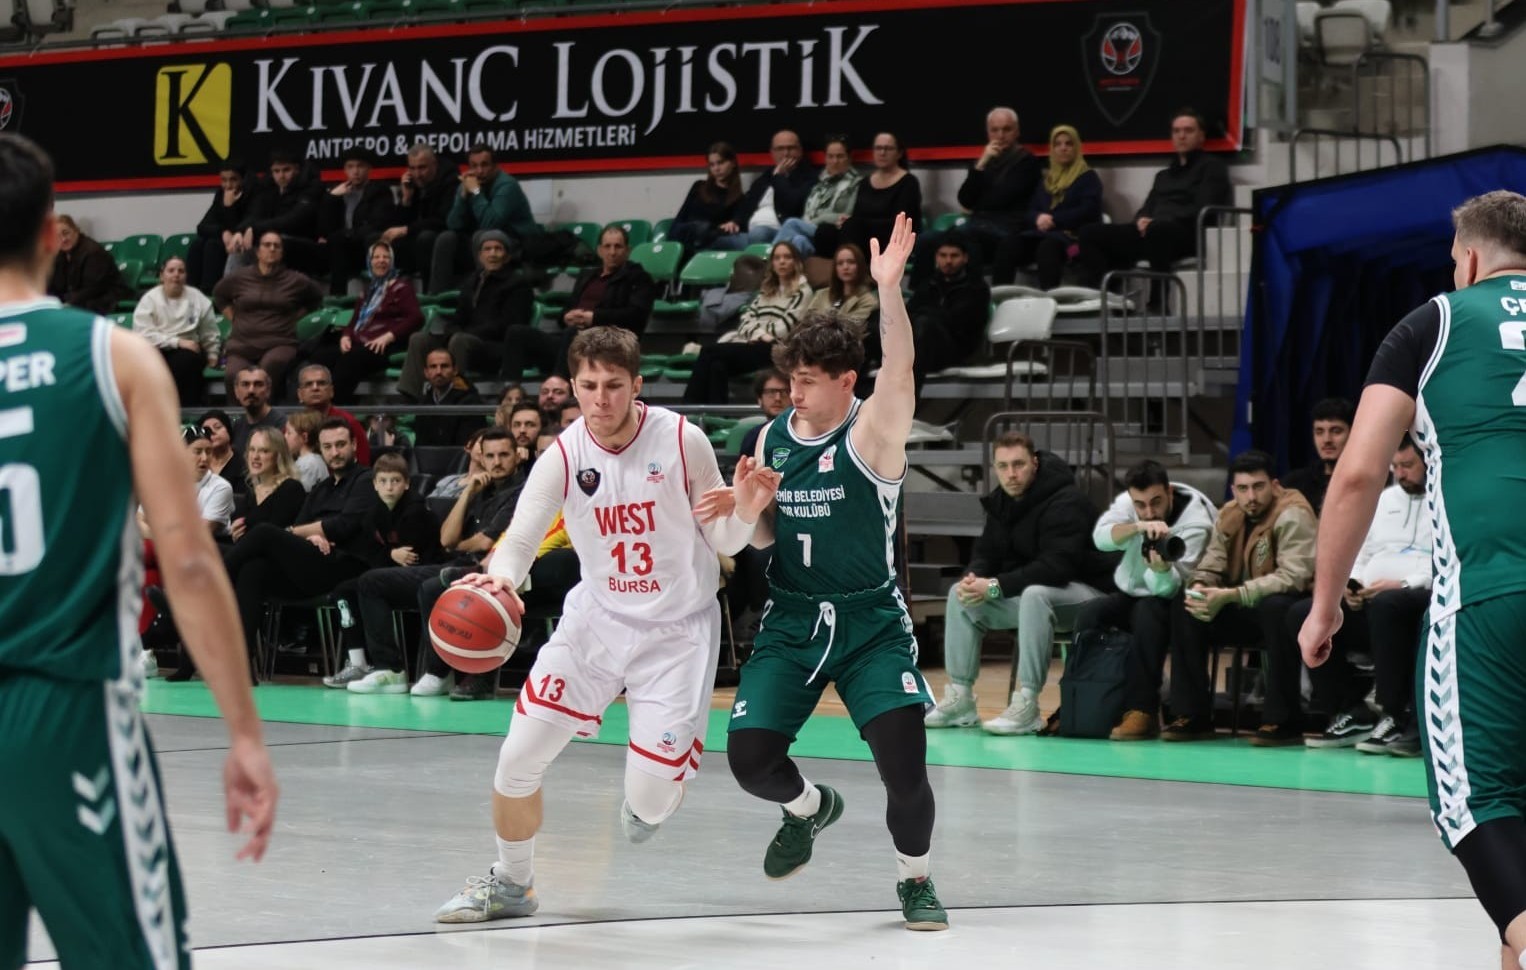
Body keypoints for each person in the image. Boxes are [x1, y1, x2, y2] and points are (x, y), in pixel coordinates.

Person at [0, 131, 276, 969]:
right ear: (53, 232)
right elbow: (187, 559)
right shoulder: (112, 356)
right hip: (64, 705)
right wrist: (244, 734)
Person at [429, 326, 778, 923]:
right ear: (573, 387)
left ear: (637, 385)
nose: (600, 398)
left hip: (676, 633)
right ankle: (512, 883)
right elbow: (522, 536)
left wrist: (745, 509)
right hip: (596, 622)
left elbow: (722, 538)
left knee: (651, 803)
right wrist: (503, 579)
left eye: (614, 385)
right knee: (517, 758)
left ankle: (650, 794)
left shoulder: (682, 440)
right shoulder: (564, 454)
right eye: (588, 386)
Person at [1299, 191, 1526, 968]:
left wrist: (1324, 606)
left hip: (1488, 596)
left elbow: (1360, 473)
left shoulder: (1433, 323)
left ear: (1470, 258)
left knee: (1477, 805)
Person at [720, 214, 948, 931]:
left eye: (808, 382)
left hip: (869, 624)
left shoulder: (874, 431)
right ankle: (808, 808)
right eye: (789, 379)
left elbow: (900, 371)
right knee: (749, 760)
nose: (793, 392)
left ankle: (915, 878)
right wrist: (751, 508)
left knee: (904, 773)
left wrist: (889, 289)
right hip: (791, 618)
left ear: (847, 381)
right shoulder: (771, 438)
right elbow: (761, 539)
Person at [923, 432, 1116, 736]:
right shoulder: (1002, 502)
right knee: (959, 596)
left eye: (1018, 465)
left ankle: (1027, 704)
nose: (1011, 474)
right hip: (1037, 599)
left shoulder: (1067, 501)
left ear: (1034, 463)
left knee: (1035, 595)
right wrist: (974, 579)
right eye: (1003, 466)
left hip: (1092, 596)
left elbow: (1057, 567)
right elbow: (986, 554)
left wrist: (996, 586)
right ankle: (961, 698)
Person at [1285, 434, 1429, 752]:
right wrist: (1353, 584)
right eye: (1395, 467)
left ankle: (1394, 713)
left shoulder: (1443, 501)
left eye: (1408, 465)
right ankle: (1351, 710)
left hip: (1418, 599)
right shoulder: (1384, 499)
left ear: (1426, 461)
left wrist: (1406, 583)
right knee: (1303, 613)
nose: (1401, 473)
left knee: (1389, 604)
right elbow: (1361, 551)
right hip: (1373, 602)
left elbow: (1448, 559)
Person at [1165, 450, 1315, 745]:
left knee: (1277, 608)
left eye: (1258, 487)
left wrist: (1231, 595)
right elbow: (1212, 563)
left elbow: (1292, 577)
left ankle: (1283, 721)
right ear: (1234, 490)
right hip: (1241, 603)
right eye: (1243, 489)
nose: (1251, 497)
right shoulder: (1230, 513)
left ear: (1274, 485)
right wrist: (1201, 587)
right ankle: (1192, 715)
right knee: (1186, 605)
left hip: (1288, 605)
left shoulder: (1293, 513)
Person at [1072, 460, 1218, 740]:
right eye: (1140, 504)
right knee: (1091, 614)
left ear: (1169, 492)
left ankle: (1141, 710)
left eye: (1156, 502)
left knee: (1147, 613)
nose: (1149, 511)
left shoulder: (1197, 523)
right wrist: (1137, 527)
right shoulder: (1132, 504)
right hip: (1132, 591)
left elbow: (1171, 589)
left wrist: (1160, 569)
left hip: (1176, 597)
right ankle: (1082, 701)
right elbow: (1101, 538)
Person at [1077, 108, 1232, 286]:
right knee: (1089, 233)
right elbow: (1148, 206)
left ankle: (1158, 298)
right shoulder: (1163, 175)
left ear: (1201, 136)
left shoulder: (1212, 167)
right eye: (1176, 131)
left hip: (1186, 235)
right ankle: (1107, 294)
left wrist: (1157, 222)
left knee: (1158, 230)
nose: (1182, 136)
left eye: (1188, 130)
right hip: (1152, 232)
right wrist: (1141, 220)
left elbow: (1204, 208)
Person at [913, 107, 1042, 284]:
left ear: (1017, 131)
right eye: (995, 130)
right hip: (977, 224)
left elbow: (1001, 199)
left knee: (967, 235)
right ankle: (920, 294)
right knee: (926, 240)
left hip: (1007, 229)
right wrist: (980, 165)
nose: (1000, 135)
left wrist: (978, 200)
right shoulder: (983, 162)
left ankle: (973, 293)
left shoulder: (1027, 162)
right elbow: (965, 199)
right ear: (988, 132)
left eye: (1006, 129)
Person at [399, 231, 537, 395]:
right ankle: (409, 396)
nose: (492, 254)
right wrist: (452, 330)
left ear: (507, 256)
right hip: (464, 340)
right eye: (487, 249)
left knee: (460, 340)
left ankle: (453, 396)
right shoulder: (471, 282)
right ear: (480, 256)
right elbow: (459, 317)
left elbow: (508, 326)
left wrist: (465, 333)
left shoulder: (518, 284)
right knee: (419, 339)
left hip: (494, 348)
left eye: (498, 249)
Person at [682, 241, 812, 405]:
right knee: (717, 365)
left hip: (777, 350)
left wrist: (759, 333)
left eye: (787, 257)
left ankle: (687, 408)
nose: (782, 262)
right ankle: (717, 414)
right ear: (772, 263)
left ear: (796, 262)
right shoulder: (766, 290)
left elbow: (785, 328)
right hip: (754, 343)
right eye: (777, 258)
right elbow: (745, 320)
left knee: (709, 352)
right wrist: (760, 334)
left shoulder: (802, 291)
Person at [212, 230, 325, 401]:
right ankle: (237, 416)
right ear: (257, 252)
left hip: (279, 342)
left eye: (276, 246)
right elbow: (219, 295)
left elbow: (315, 298)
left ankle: (266, 414)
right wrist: (233, 316)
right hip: (242, 344)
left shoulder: (295, 280)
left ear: (281, 253)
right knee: (233, 375)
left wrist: (295, 317)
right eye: (267, 245)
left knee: (266, 372)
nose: (272, 249)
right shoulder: (240, 277)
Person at [990, 125, 1104, 289]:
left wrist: (1054, 220)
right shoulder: (1047, 180)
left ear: (1077, 147)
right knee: (1009, 244)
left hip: (1073, 242)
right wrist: (1037, 218)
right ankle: (999, 297)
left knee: (1048, 247)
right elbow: (1030, 210)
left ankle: (1049, 300)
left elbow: (1089, 210)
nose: (1063, 148)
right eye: (1057, 144)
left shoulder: (1088, 178)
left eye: (1068, 143)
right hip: (1041, 235)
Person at [310, 241, 424, 403]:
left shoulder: (402, 287)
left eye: (386, 257)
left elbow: (416, 318)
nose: (381, 260)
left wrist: (388, 336)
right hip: (361, 343)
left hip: (384, 346)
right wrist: (346, 336)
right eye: (376, 257)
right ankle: (319, 402)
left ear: (392, 261)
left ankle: (333, 407)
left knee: (350, 359)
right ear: (369, 262)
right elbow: (354, 321)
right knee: (321, 356)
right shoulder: (368, 291)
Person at [429, 143, 540, 293]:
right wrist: (462, 197)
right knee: (446, 238)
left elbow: (491, 223)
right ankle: (437, 297)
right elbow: (453, 225)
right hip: (481, 243)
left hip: (516, 242)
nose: (479, 171)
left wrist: (475, 192)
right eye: (474, 166)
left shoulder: (507, 185)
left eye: (484, 165)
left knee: (483, 236)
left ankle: (483, 294)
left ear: (495, 166)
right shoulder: (469, 184)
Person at [812, 131, 921, 260]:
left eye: (888, 148)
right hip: (862, 233)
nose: (882, 153)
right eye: (878, 148)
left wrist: (859, 223)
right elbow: (857, 214)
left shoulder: (908, 182)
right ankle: (833, 270)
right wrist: (847, 220)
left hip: (892, 236)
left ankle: (854, 268)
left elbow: (902, 222)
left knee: (853, 227)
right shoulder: (865, 182)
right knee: (825, 231)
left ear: (899, 153)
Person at [905, 236, 991, 396]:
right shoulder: (928, 284)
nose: (948, 261)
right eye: (943, 255)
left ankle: (908, 400)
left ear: (965, 258)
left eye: (954, 256)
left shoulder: (977, 289)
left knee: (924, 324)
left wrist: (927, 314)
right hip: (921, 347)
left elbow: (958, 322)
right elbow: (909, 313)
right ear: (936, 257)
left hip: (956, 350)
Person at [132, 256, 221, 406]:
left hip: (190, 351)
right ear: (162, 275)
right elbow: (143, 334)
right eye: (171, 270)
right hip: (157, 348)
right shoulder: (149, 299)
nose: (176, 275)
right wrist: (178, 342)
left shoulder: (198, 298)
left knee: (187, 361)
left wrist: (213, 353)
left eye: (181, 271)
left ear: (186, 276)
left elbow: (209, 331)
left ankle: (188, 409)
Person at [712, 130, 817, 251]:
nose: (786, 153)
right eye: (780, 149)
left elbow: (793, 205)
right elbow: (748, 203)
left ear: (800, 151)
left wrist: (779, 177)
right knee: (716, 240)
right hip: (750, 234)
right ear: (772, 152)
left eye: (791, 148)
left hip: (779, 232)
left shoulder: (809, 177)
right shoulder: (766, 176)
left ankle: (765, 257)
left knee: (759, 233)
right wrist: (735, 222)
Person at [317, 147, 396, 296]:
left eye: (360, 166)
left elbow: (377, 223)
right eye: (350, 167)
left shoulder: (380, 191)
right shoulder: (338, 191)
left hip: (364, 246)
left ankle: (339, 296)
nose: (355, 171)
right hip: (339, 247)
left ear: (369, 169)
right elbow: (324, 228)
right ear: (345, 170)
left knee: (339, 240)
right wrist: (331, 198)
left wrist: (348, 234)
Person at [772, 136, 862, 260]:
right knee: (799, 240)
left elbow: (847, 216)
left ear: (849, 157)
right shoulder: (817, 182)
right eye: (830, 156)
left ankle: (768, 260)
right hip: (810, 231)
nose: (835, 161)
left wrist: (820, 219)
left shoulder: (857, 184)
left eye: (840, 156)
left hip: (830, 232)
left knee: (792, 223)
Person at [380, 143, 459, 279]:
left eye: (422, 168)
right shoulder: (413, 184)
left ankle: (429, 288)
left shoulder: (451, 181)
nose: (417, 174)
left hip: (445, 237)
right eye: (412, 168)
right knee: (389, 239)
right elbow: (398, 223)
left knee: (425, 238)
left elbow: (442, 220)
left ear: (434, 164)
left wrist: (406, 229)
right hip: (418, 234)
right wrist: (406, 199)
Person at [666, 142, 749, 254]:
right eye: (712, 165)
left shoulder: (739, 198)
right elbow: (679, 221)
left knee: (738, 239)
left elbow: (732, 228)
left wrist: (719, 228)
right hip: (688, 236)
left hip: (711, 243)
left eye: (720, 163)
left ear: (733, 163)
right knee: (699, 228)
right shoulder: (699, 186)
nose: (716, 169)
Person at [231, 426, 307, 541]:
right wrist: (235, 532)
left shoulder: (291, 488)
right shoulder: (251, 488)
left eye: (264, 451)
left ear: (278, 456)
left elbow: (274, 536)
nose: (255, 456)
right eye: (252, 449)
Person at [46, 214, 134, 314]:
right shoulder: (60, 254)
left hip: (105, 297)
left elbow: (93, 289)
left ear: (76, 230)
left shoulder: (93, 252)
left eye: (66, 233)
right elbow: (54, 286)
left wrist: (69, 303)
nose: (63, 239)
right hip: (78, 298)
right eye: (57, 236)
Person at [188, 160, 254, 292]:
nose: (228, 185)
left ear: (242, 179)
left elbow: (243, 225)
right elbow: (202, 226)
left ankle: (210, 291)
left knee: (213, 245)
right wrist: (223, 232)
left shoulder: (252, 194)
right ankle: (190, 290)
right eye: (224, 180)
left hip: (243, 243)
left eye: (233, 180)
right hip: (225, 240)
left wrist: (230, 207)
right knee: (197, 244)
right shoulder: (220, 194)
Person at [1282, 397, 1355, 516]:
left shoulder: (1371, 480)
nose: (1327, 440)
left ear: (1353, 433)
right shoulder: (1294, 484)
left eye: (1336, 431)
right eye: (1319, 432)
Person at [295, 363, 370, 466]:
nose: (315, 388)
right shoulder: (293, 427)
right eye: (308, 384)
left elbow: (363, 463)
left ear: (331, 391)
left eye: (321, 383)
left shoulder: (349, 422)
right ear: (300, 394)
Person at [413, 347, 486, 448]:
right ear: (426, 372)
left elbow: (467, 448)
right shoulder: (423, 404)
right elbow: (420, 447)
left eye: (444, 366)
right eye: (433, 367)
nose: (438, 371)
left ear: (455, 370)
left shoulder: (471, 403)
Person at [804, 243, 879, 329]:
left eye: (851, 262)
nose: (845, 267)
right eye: (840, 263)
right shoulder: (821, 294)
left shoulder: (869, 301)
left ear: (860, 266)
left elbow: (849, 330)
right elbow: (806, 323)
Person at [229, 366, 283, 458]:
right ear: (236, 391)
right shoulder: (235, 426)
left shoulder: (281, 425)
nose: (251, 390)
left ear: (268, 390)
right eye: (245, 384)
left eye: (258, 384)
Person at [199, 407, 246, 496]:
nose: (212, 432)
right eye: (207, 430)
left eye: (217, 427)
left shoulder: (243, 466)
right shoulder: (198, 463)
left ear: (228, 430)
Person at [284, 409, 328, 490]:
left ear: (304, 437)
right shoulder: (309, 461)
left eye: (289, 433)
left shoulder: (308, 464)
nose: (285, 436)